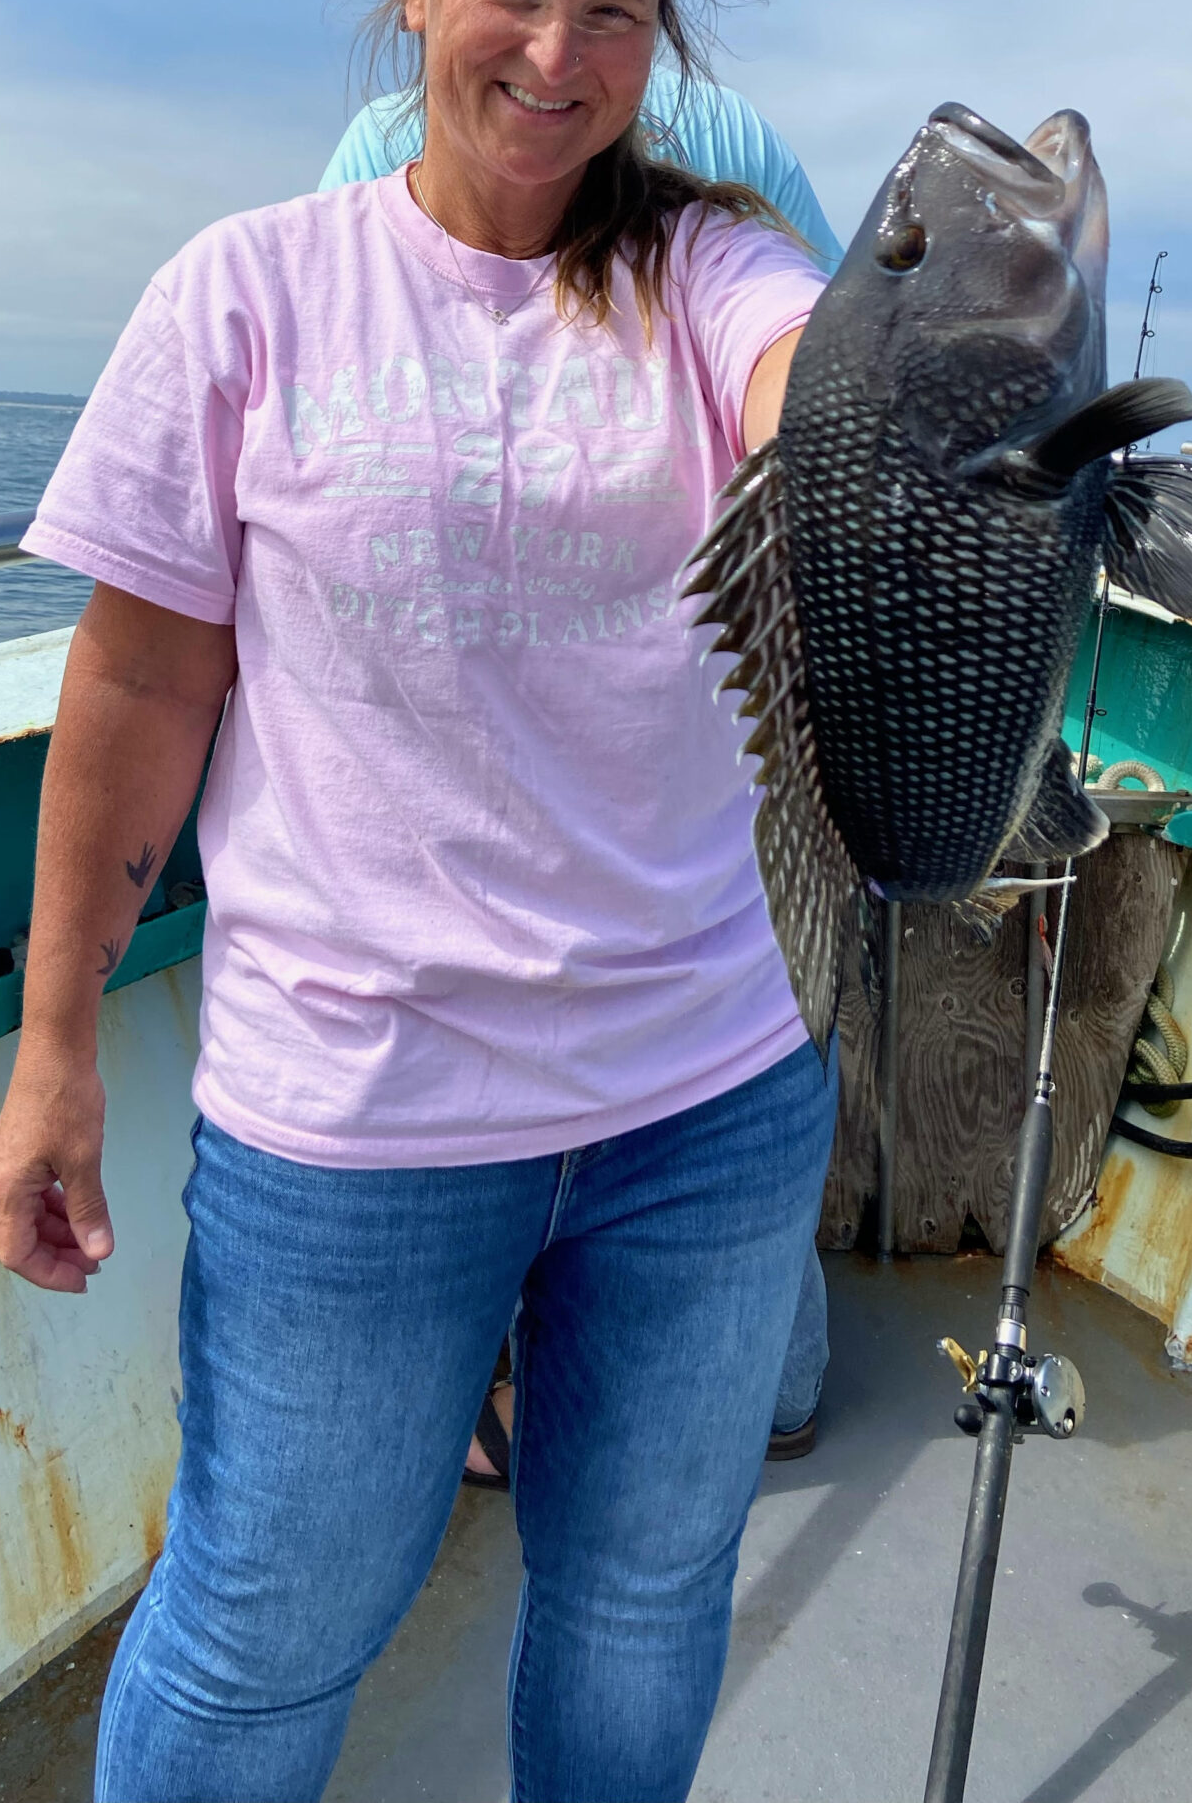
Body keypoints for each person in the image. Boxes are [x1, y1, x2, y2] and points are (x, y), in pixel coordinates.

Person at [0, 0, 838, 1803]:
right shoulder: (248, 290)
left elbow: (809, 380)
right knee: (268, 1621)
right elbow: (139, 684)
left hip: (705, 1099)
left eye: (615, 10)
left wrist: (897, 426)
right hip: (356, 1116)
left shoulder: (711, 268)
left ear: (663, 44)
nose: (557, 51)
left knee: (642, 1596)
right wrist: (54, 1050)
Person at [319, 82, 841, 1476]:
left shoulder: (397, 137)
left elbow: (350, 423)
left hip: (505, 789)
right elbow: (833, 386)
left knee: (506, 1125)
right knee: (749, 1057)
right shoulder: (751, 144)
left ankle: (517, 1405)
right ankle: (767, 1389)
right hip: (745, 761)